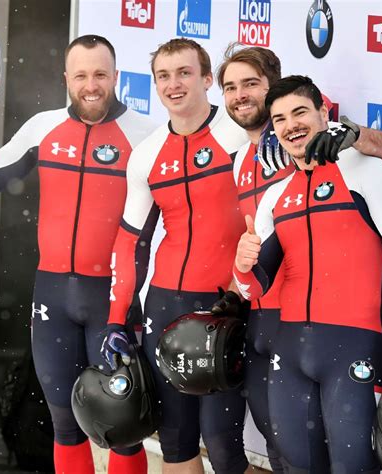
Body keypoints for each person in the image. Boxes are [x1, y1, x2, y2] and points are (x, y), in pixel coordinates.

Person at [0, 35, 156, 474]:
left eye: (101, 75)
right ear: (66, 78)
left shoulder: (146, 135)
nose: (91, 85)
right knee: (64, 424)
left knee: (122, 425)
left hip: (113, 298)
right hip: (52, 297)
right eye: (81, 75)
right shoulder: (42, 127)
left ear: (116, 77)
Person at [213, 44, 382, 473]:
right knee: (297, 465)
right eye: (280, 119)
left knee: (353, 467)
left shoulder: (366, 169)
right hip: (290, 349)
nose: (290, 126)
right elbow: (252, 286)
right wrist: (242, 264)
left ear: (324, 112)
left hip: (353, 348)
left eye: (299, 113)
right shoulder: (275, 195)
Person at [101, 38, 253, 474]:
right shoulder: (146, 155)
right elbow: (130, 242)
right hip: (166, 305)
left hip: (225, 304)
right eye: (163, 76)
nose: (174, 84)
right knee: (175, 439)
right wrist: (116, 317)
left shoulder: (240, 136)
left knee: (223, 444)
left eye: (185, 73)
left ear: (208, 80)